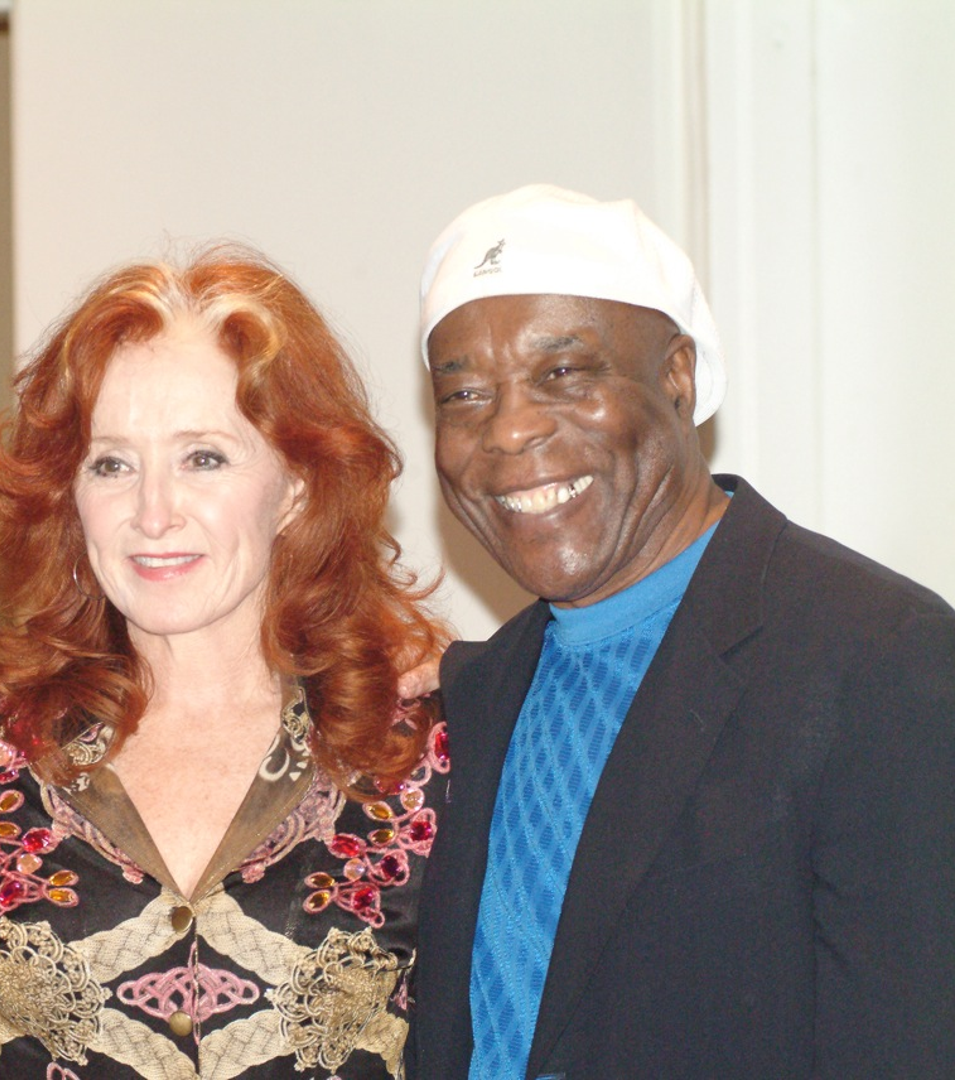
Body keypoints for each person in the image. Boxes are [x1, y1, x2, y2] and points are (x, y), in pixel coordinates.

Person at [406, 184, 955, 1078]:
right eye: (464, 393)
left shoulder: (881, 659)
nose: (508, 430)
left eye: (563, 373)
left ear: (678, 376)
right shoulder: (479, 691)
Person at [0, 246, 449, 1077]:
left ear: (295, 486)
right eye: (112, 464)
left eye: (203, 458)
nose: (152, 514)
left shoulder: (418, 753)